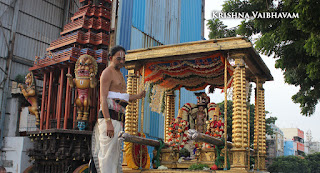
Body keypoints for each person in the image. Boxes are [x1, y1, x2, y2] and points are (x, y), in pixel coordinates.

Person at [92, 45, 145, 173]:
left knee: (115, 156)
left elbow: (122, 97)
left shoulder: (120, 74)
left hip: (119, 120)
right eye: (118, 59)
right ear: (110, 58)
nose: (122, 61)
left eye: (123, 59)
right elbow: (103, 99)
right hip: (108, 120)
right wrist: (108, 122)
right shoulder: (107, 73)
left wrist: (138, 96)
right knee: (107, 156)